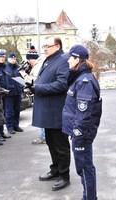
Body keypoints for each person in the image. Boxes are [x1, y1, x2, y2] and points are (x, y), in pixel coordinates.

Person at [25, 36, 71, 191]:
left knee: (61, 145)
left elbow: (61, 84)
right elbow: (45, 80)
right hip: (47, 110)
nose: (44, 49)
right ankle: (55, 169)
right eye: (43, 46)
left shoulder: (63, 60)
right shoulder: (48, 59)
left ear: (57, 46)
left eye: (47, 46)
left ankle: (64, 176)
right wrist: (32, 85)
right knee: (51, 143)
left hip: (56, 111)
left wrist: (37, 88)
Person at [62, 45, 102, 200]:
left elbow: (84, 113)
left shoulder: (84, 81)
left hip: (81, 133)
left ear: (77, 59)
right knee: (84, 167)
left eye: (70, 59)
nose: (68, 62)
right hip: (79, 131)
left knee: (85, 168)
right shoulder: (79, 78)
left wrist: (77, 133)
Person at [22, 46, 46, 145]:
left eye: (29, 60)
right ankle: (44, 135)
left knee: (43, 116)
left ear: (31, 59)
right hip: (41, 92)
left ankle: (44, 136)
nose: (29, 62)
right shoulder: (41, 63)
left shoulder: (37, 66)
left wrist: (24, 76)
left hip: (39, 93)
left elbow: (33, 81)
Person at [0, 49, 12, 141]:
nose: (2, 58)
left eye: (3, 56)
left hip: (5, 94)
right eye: (0, 56)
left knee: (2, 114)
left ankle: (1, 132)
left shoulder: (4, 67)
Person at [5, 53, 24, 134]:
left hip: (18, 92)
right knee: (9, 111)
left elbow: (22, 79)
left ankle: (16, 125)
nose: (13, 60)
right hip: (9, 94)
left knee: (17, 110)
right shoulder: (5, 68)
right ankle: (9, 127)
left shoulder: (18, 68)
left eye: (14, 59)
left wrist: (22, 87)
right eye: (12, 59)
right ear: (8, 59)